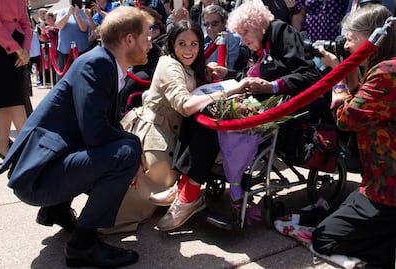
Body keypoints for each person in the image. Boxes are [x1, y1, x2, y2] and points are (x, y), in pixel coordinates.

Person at [0, 6, 153, 268]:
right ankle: (83, 246)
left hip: (46, 171)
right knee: (125, 154)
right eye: (147, 35)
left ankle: (57, 210)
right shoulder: (97, 64)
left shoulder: (106, 64)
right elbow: (95, 133)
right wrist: (135, 146)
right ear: (129, 39)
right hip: (37, 179)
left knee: (125, 147)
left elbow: (94, 129)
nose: (151, 42)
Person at [154, 0, 323, 231]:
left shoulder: (281, 31)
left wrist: (273, 87)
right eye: (240, 34)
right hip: (258, 102)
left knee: (211, 122)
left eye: (244, 33)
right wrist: (229, 73)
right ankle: (185, 184)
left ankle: (190, 192)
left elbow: (307, 74)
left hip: (284, 109)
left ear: (257, 23)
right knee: (198, 114)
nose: (242, 40)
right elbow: (253, 76)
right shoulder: (261, 42)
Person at [100, 19, 249, 234]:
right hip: (156, 137)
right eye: (182, 43)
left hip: (174, 136)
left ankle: (186, 190)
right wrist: (229, 91)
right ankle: (187, 192)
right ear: (171, 43)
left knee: (207, 119)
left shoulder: (188, 64)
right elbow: (186, 105)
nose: (188, 50)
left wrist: (214, 74)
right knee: (134, 205)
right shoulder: (169, 64)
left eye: (194, 44)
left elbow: (193, 79)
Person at [311, 5, 396, 268]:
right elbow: (365, 103)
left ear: (374, 39)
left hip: (388, 190)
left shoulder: (387, 73)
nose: (346, 46)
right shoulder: (384, 66)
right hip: (378, 182)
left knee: (323, 239)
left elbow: (346, 118)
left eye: (351, 39)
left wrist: (336, 77)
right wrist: (348, 69)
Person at [0, 0, 32, 165]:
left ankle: (3, 147)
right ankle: (29, 150)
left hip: (18, 46)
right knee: (14, 100)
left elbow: (26, 22)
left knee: (7, 102)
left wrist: (25, 49)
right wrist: (18, 49)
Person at [54, 0, 91, 82]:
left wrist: (77, 15)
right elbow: (59, 26)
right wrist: (68, 14)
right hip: (64, 52)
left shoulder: (83, 12)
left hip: (81, 51)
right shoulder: (62, 12)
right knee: (64, 78)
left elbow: (84, 28)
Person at [202, 5, 241, 69]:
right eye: (206, 24)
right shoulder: (206, 39)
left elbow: (228, 68)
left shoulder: (232, 40)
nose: (210, 28)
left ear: (224, 23)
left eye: (214, 24)